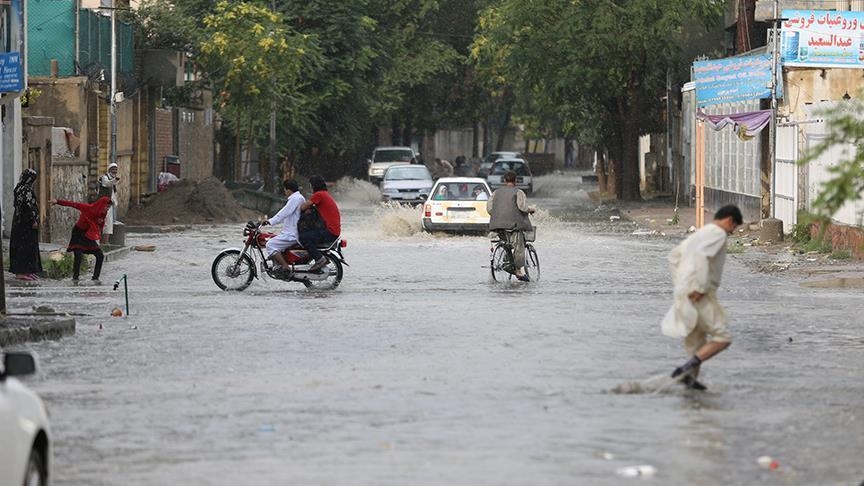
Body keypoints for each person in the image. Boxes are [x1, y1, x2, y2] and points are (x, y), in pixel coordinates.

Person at [662, 205, 743, 390]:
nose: (732, 232)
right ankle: (685, 369)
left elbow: (673, 257)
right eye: (734, 228)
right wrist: (699, 287)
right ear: (730, 220)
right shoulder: (718, 234)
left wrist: (681, 284)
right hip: (700, 294)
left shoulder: (701, 232)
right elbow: (701, 256)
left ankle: (690, 385)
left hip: (684, 293)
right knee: (723, 338)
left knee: (696, 342)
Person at [51, 196, 113, 284]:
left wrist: (98, 236)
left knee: (100, 255)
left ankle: (95, 278)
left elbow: (100, 227)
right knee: (78, 254)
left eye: (109, 207)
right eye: (107, 206)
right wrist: (57, 201)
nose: (107, 209)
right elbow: (73, 204)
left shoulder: (102, 214)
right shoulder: (88, 208)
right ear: (101, 205)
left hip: (89, 235)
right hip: (78, 233)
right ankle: (75, 277)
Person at [486, 171, 535, 282]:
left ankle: (507, 261)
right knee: (519, 248)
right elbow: (522, 207)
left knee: (506, 243)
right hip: (513, 225)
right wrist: (530, 210)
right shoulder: (518, 192)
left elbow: (489, 208)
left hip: (497, 225)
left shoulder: (496, 193)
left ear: (504, 181)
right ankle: (518, 271)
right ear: (516, 180)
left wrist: (498, 215)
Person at [261, 179, 305, 273]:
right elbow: (286, 216)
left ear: (288, 190)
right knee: (272, 239)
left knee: (270, 244)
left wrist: (270, 221)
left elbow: (284, 213)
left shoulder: (295, 199)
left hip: (292, 233)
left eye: (285, 190)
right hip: (291, 231)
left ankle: (285, 266)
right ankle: (278, 264)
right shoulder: (298, 198)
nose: (284, 192)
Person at [299, 175, 341, 272]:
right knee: (309, 234)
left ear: (314, 185)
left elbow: (303, 207)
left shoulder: (319, 195)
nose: (310, 187)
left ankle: (319, 259)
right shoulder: (325, 194)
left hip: (329, 232)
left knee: (304, 237)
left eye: (311, 185)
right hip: (333, 230)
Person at [9, 169, 43, 281]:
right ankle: (23, 272)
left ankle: (26, 271)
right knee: (27, 247)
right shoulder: (26, 189)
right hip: (26, 224)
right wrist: (33, 220)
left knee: (20, 246)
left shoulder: (18, 188)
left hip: (18, 222)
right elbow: (28, 206)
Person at [98, 162, 120, 242]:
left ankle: (106, 242)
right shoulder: (105, 177)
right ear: (109, 170)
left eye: (116, 169)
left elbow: (113, 193)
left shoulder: (114, 180)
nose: (115, 171)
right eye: (113, 169)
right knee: (103, 222)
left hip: (110, 205)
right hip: (103, 204)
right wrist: (114, 180)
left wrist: (115, 203)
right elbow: (106, 184)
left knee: (109, 225)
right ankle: (100, 241)